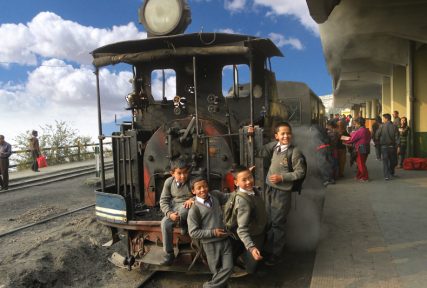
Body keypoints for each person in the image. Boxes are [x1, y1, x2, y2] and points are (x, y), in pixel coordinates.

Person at [261, 121, 306, 266]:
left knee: (277, 223)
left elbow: (300, 172)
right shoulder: (274, 147)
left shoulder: (294, 151)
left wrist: (282, 178)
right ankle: (268, 249)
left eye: (288, 133)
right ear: (276, 136)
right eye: (282, 133)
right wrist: (250, 133)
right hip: (269, 189)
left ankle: (277, 254)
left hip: (282, 192)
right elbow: (259, 150)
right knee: (268, 221)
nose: (286, 136)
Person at [187, 177, 233, 288]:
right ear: (193, 191)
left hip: (225, 240)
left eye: (205, 186)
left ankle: (208, 287)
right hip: (210, 244)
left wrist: (242, 184)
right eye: (199, 188)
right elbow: (193, 232)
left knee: (229, 267)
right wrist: (213, 233)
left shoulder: (215, 195)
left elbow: (231, 196)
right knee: (217, 273)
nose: (203, 190)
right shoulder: (194, 209)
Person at [231, 165, 267, 274]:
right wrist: (251, 248)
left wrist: (246, 173)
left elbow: (245, 180)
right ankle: (240, 261)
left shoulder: (251, 190)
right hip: (253, 235)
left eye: (250, 177)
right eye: (244, 180)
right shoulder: (243, 202)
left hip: (259, 231)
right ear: (236, 182)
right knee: (251, 268)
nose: (249, 182)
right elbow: (241, 230)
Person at [159, 157, 194, 265]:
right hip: (174, 207)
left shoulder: (193, 180)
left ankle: (184, 224)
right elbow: (163, 201)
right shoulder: (169, 182)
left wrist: (193, 199)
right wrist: (169, 214)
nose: (183, 176)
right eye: (179, 173)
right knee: (164, 223)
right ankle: (169, 253)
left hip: (189, 206)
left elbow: (204, 193)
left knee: (184, 211)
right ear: (172, 173)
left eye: (185, 173)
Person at [344, 117, 371, 182]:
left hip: (361, 148)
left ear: (359, 124)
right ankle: (359, 176)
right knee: (361, 163)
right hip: (366, 148)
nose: (355, 125)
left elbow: (352, 139)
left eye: (355, 124)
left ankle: (365, 177)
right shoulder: (367, 130)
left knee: (361, 164)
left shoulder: (360, 131)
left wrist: (344, 140)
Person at [375, 113, 400, 180]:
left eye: (383, 118)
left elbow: (377, 135)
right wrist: (398, 146)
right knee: (393, 161)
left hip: (384, 147)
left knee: (385, 162)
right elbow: (397, 137)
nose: (383, 120)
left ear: (386, 119)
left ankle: (386, 176)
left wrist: (378, 140)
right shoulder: (394, 126)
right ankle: (391, 172)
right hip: (392, 147)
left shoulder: (381, 126)